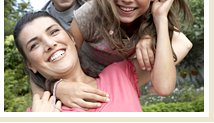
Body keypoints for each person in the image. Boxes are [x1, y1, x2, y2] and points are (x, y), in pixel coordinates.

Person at [29, 0, 167, 109]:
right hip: (77, 82)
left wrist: (147, 36)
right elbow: (34, 69)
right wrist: (57, 88)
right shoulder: (43, 23)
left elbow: (145, 14)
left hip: (113, 77)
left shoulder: (96, 1)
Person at [55, 0, 193, 106]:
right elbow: (62, 62)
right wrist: (58, 87)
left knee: (182, 42)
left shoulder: (151, 19)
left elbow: (164, 87)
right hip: (82, 86)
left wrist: (159, 19)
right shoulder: (90, 14)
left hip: (117, 87)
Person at [13, 11, 180, 112]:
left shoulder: (119, 74)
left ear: (72, 38)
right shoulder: (39, 112)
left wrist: (154, 26)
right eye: (34, 45)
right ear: (30, 65)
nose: (49, 44)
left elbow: (181, 43)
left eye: (54, 32)